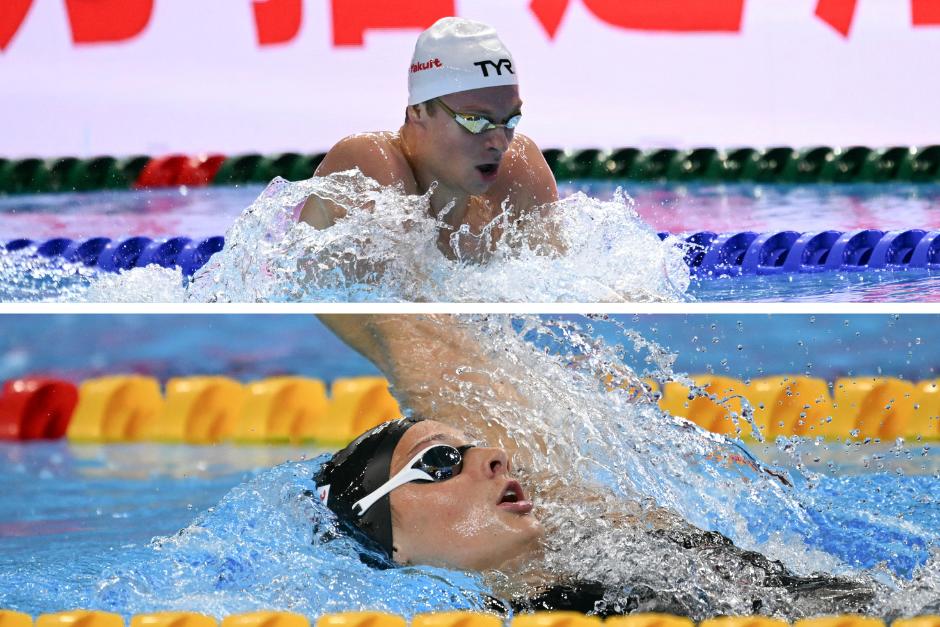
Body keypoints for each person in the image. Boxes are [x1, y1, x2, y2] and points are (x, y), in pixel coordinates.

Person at [313, 314, 883, 617]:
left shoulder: (599, 532)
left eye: (474, 445)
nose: (493, 456)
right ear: (391, 548)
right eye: (440, 462)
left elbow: (428, 346)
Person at [298, 17, 561, 262]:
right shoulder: (366, 165)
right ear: (418, 111)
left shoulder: (519, 171)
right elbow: (391, 310)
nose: (501, 143)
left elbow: (569, 288)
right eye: (476, 121)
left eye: (510, 121)